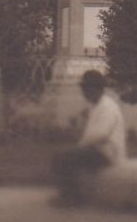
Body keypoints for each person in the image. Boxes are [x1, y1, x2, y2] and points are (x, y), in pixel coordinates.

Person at [52, 70, 128, 206]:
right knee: (63, 156)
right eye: (84, 89)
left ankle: (72, 198)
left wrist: (80, 145)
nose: (84, 93)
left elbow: (100, 135)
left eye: (87, 89)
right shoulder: (96, 106)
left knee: (64, 158)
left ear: (97, 89)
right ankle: (70, 195)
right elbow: (91, 134)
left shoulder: (108, 107)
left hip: (108, 152)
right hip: (99, 150)